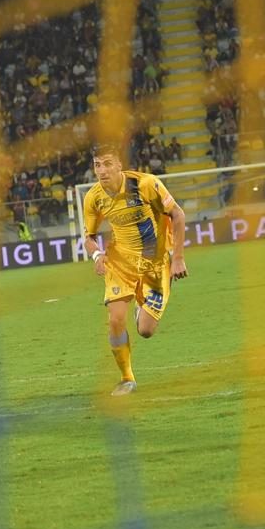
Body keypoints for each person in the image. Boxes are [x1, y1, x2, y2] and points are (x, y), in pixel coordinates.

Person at [82, 143, 188, 396]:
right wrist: (97, 254)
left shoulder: (146, 184)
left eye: (108, 164)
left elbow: (178, 215)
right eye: (97, 165)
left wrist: (178, 258)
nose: (102, 170)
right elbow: (89, 237)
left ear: (120, 165)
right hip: (120, 264)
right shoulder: (93, 197)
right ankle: (126, 378)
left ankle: (143, 305)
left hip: (155, 262)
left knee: (146, 331)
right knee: (115, 319)